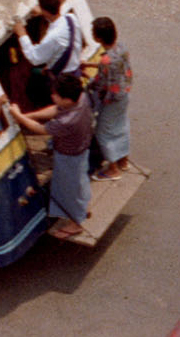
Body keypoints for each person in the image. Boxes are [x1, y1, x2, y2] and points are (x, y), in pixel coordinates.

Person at [7, 73, 94, 240]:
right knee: (80, 182)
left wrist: (18, 116)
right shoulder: (81, 98)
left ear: (67, 99)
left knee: (68, 190)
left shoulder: (68, 121)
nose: (52, 96)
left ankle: (75, 223)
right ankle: (84, 208)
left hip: (69, 157)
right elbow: (55, 109)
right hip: (81, 150)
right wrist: (27, 116)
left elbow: (42, 130)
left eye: (56, 95)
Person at [81, 16, 132, 180]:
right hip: (124, 94)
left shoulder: (106, 60)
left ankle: (113, 169)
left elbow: (101, 85)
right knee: (121, 125)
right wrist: (91, 66)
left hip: (112, 99)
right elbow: (113, 67)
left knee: (103, 132)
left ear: (98, 38)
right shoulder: (122, 48)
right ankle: (124, 160)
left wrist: (86, 78)